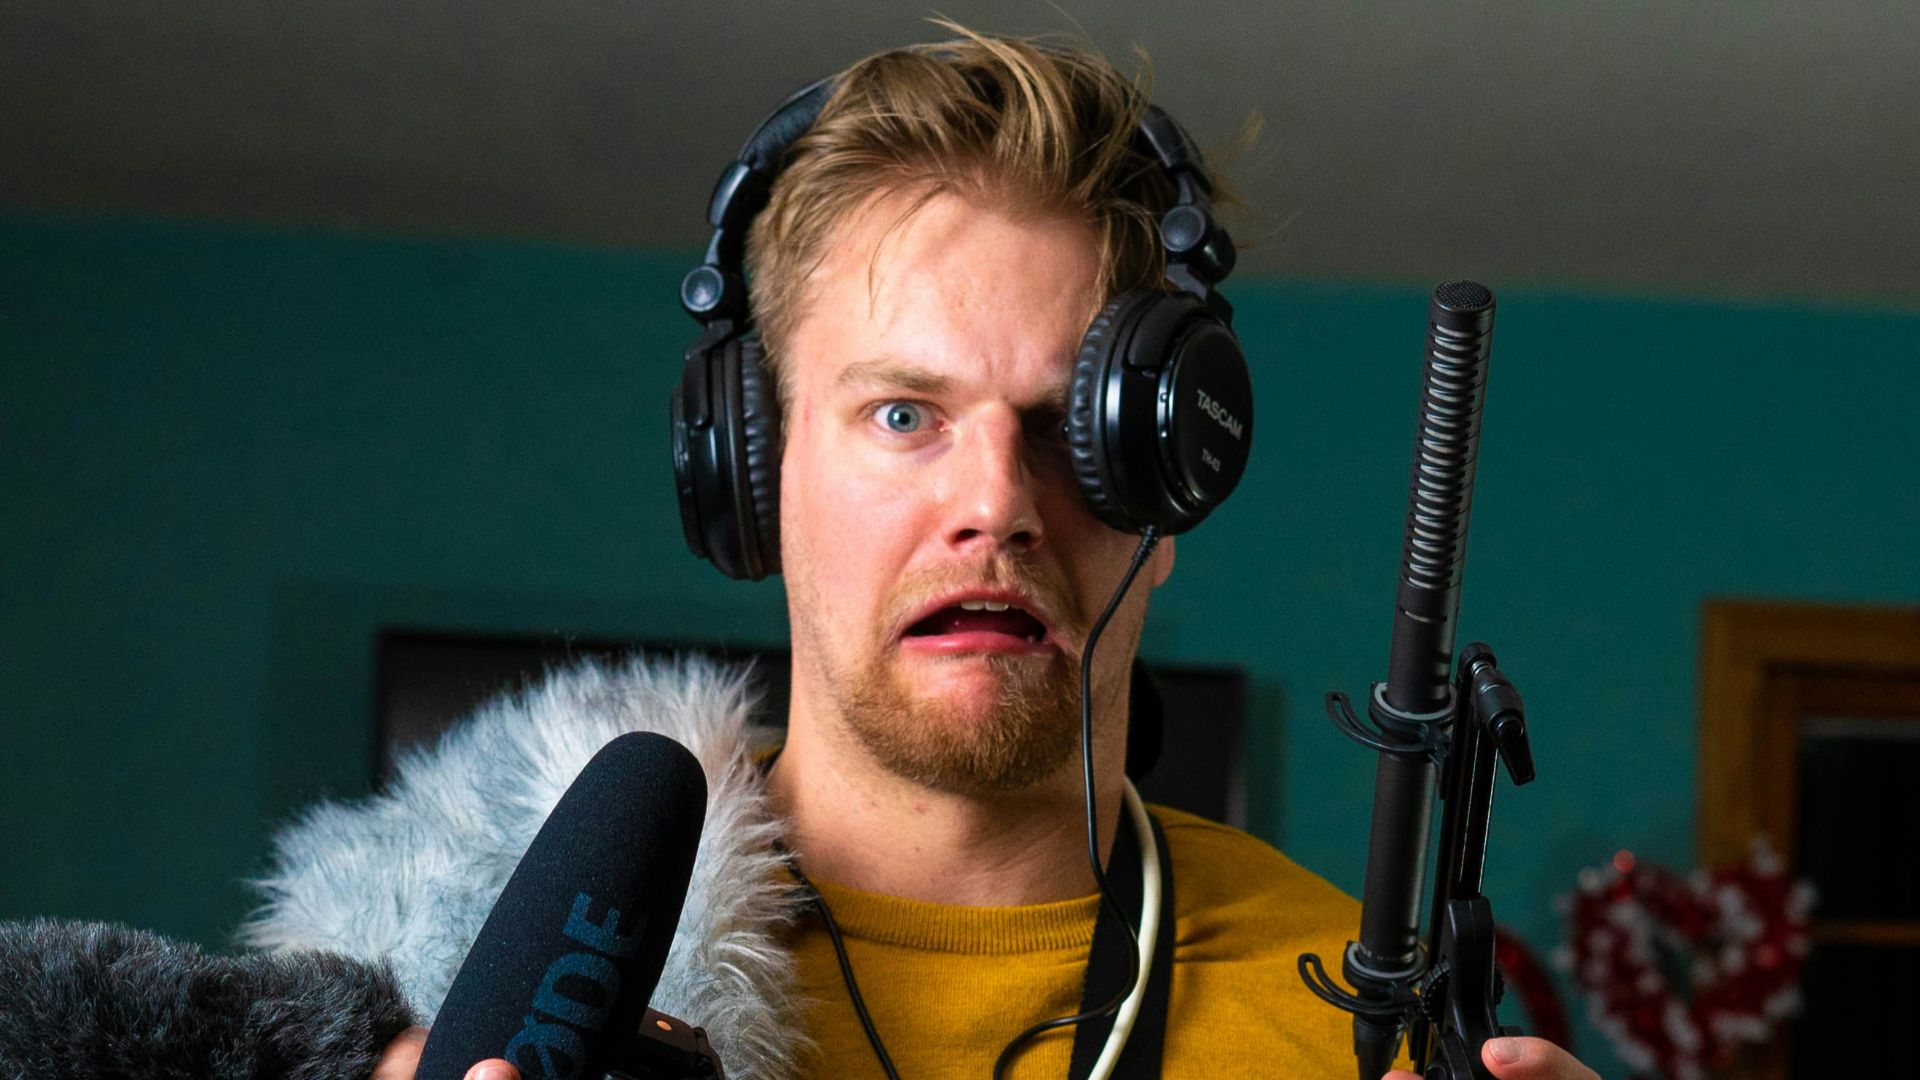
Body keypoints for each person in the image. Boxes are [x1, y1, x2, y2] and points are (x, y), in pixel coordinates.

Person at [254, 25, 1600, 1080]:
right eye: (904, 414)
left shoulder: (1367, 1023)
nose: (996, 502)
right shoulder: (446, 995)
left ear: (1171, 491)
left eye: (1070, 425)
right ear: (753, 475)